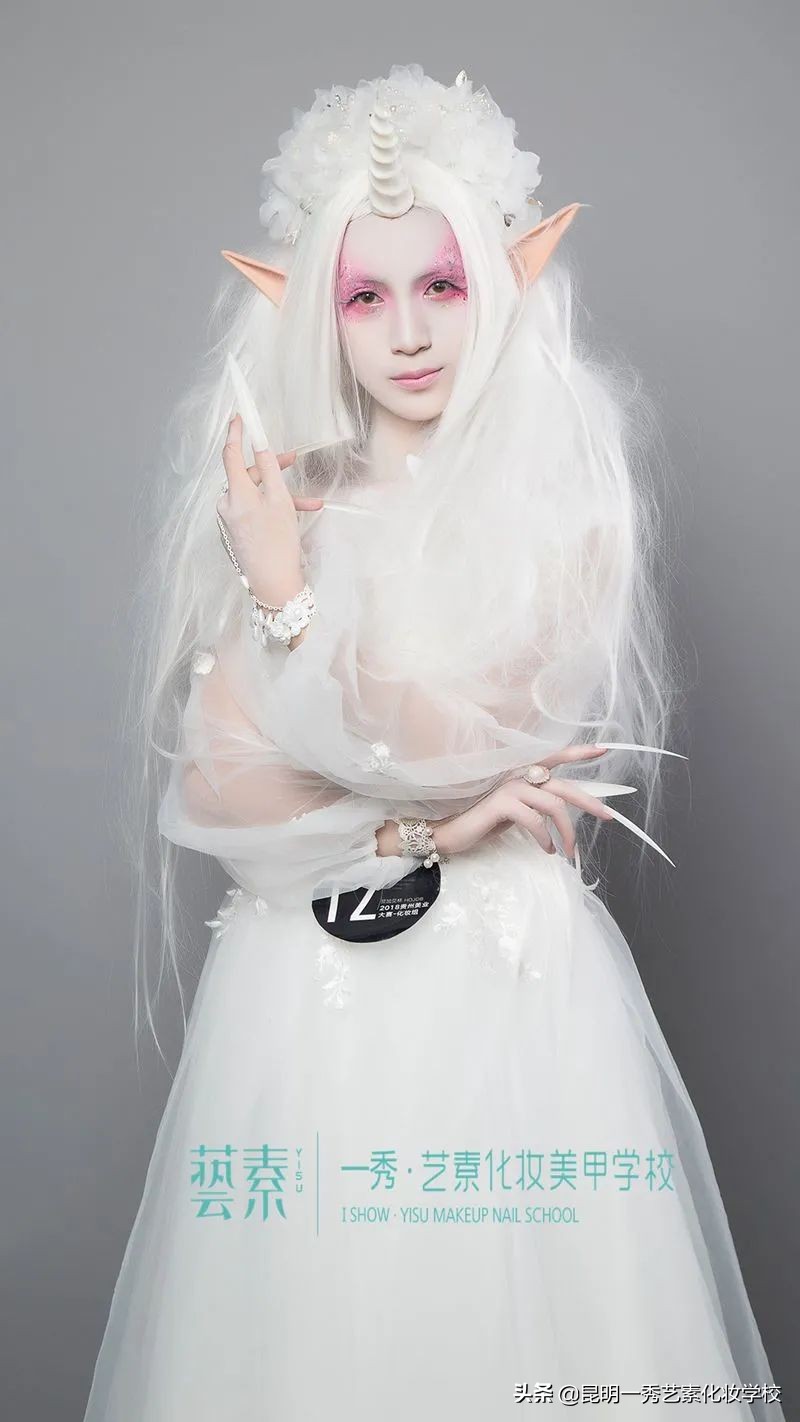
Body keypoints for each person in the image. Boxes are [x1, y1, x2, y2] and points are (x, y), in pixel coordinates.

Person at [83, 65, 784, 1421]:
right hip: (314, 985)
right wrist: (427, 820)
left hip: (499, 982)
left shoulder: (562, 507)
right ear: (317, 308)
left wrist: (291, 609)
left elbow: (459, 729)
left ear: (502, 285)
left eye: (443, 285)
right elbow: (226, 786)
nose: (407, 334)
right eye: (365, 295)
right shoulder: (289, 499)